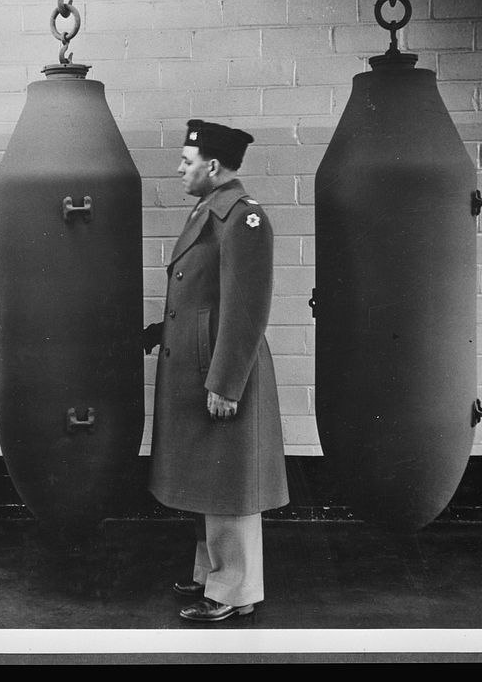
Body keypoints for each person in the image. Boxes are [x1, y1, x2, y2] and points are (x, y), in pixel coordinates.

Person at [142, 119, 289, 623]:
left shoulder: (243, 219)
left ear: (212, 165)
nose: (179, 170)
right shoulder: (209, 212)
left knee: (230, 485)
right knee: (210, 480)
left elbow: (246, 310)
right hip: (200, 366)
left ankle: (236, 590)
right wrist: (161, 331)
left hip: (224, 372)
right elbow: (202, 299)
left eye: (186, 162)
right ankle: (212, 575)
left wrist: (226, 384)